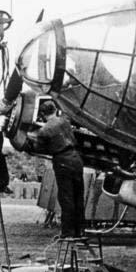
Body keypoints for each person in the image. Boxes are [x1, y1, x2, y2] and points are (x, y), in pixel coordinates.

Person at [23, 101, 85, 237]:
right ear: (55, 109)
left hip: (62, 161)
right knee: (78, 196)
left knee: (66, 197)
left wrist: (28, 141)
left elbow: (39, 149)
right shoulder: (65, 122)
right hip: (77, 159)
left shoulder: (44, 131)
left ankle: (68, 232)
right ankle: (80, 231)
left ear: (43, 114)